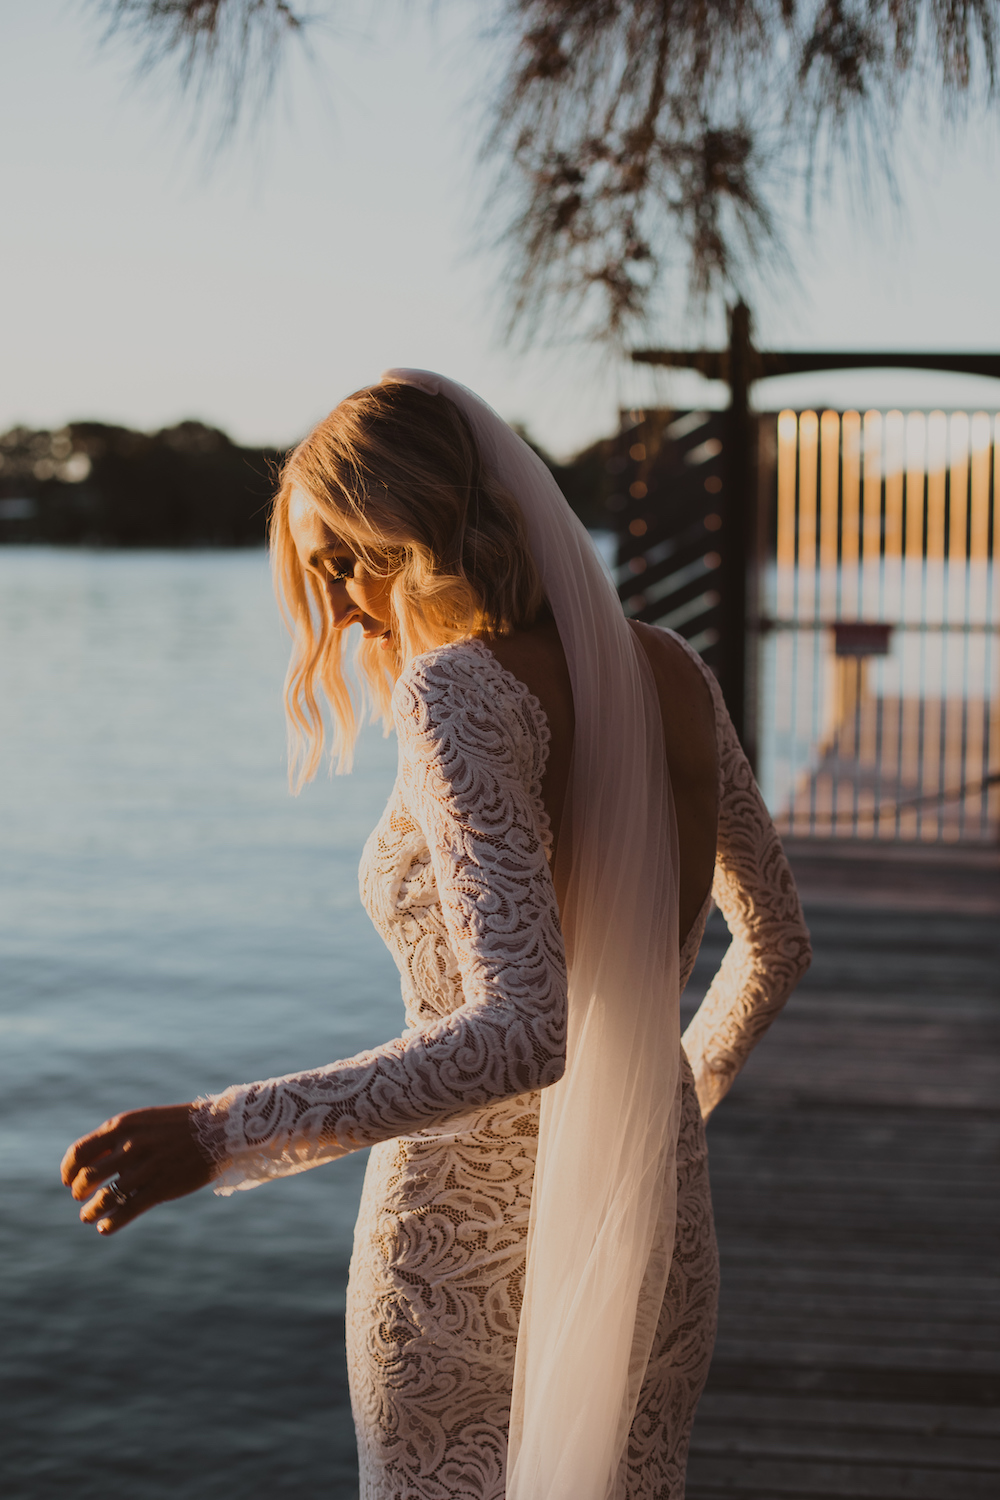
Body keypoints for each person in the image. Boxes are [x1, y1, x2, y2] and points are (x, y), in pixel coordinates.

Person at [61, 371, 811, 1500]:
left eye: (346, 564)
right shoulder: (670, 671)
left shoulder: (457, 693)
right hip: (652, 1219)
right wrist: (665, 1099)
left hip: (465, 1253)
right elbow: (777, 946)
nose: (348, 609)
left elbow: (521, 1033)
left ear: (417, 527)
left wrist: (218, 1132)